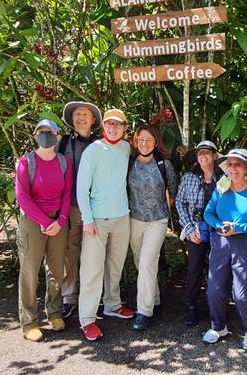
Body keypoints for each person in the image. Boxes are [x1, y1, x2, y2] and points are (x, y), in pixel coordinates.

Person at [77, 108, 135, 341]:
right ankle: (87, 319)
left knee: (115, 266)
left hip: (122, 217)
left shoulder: (126, 148)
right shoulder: (93, 150)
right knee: (92, 270)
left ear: (124, 128)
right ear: (103, 126)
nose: (113, 128)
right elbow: (82, 188)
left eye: (118, 124)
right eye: (109, 124)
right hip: (97, 220)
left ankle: (112, 305)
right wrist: (87, 219)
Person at [202, 148, 247, 351]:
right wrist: (219, 225)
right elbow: (208, 213)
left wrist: (238, 227)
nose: (233, 168)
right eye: (229, 164)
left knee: (241, 294)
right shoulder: (222, 185)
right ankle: (218, 327)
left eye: (237, 164)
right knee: (213, 290)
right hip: (221, 242)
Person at [14, 119, 73, 342]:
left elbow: (67, 194)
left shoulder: (64, 162)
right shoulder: (25, 162)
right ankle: (29, 321)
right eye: (41, 131)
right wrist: (43, 221)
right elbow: (23, 197)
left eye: (50, 132)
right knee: (29, 271)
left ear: (58, 136)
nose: (45, 135)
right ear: (35, 135)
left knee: (57, 270)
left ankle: (55, 313)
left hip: (58, 220)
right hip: (33, 222)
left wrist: (61, 219)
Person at [127, 124, 177, 330]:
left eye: (149, 140)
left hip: (157, 220)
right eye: (141, 139)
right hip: (134, 219)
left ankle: (144, 311)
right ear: (135, 141)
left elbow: (172, 192)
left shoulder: (164, 164)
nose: (144, 143)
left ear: (156, 142)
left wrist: (162, 210)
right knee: (141, 262)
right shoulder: (129, 163)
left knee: (147, 261)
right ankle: (153, 297)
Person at [57, 101, 101, 322]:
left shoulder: (101, 144)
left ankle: (95, 296)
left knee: (96, 253)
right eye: (77, 114)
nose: (81, 117)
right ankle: (69, 297)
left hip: (98, 207)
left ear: (93, 120)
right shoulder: (63, 142)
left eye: (85, 114)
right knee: (70, 252)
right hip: (72, 207)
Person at [175, 140, 222, 326]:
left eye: (207, 153)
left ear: (214, 156)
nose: (203, 156)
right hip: (196, 229)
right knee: (194, 269)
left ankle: (215, 308)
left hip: (217, 230)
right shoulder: (189, 177)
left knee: (216, 270)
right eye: (200, 153)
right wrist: (188, 229)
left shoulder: (223, 177)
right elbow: (180, 203)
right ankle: (192, 308)